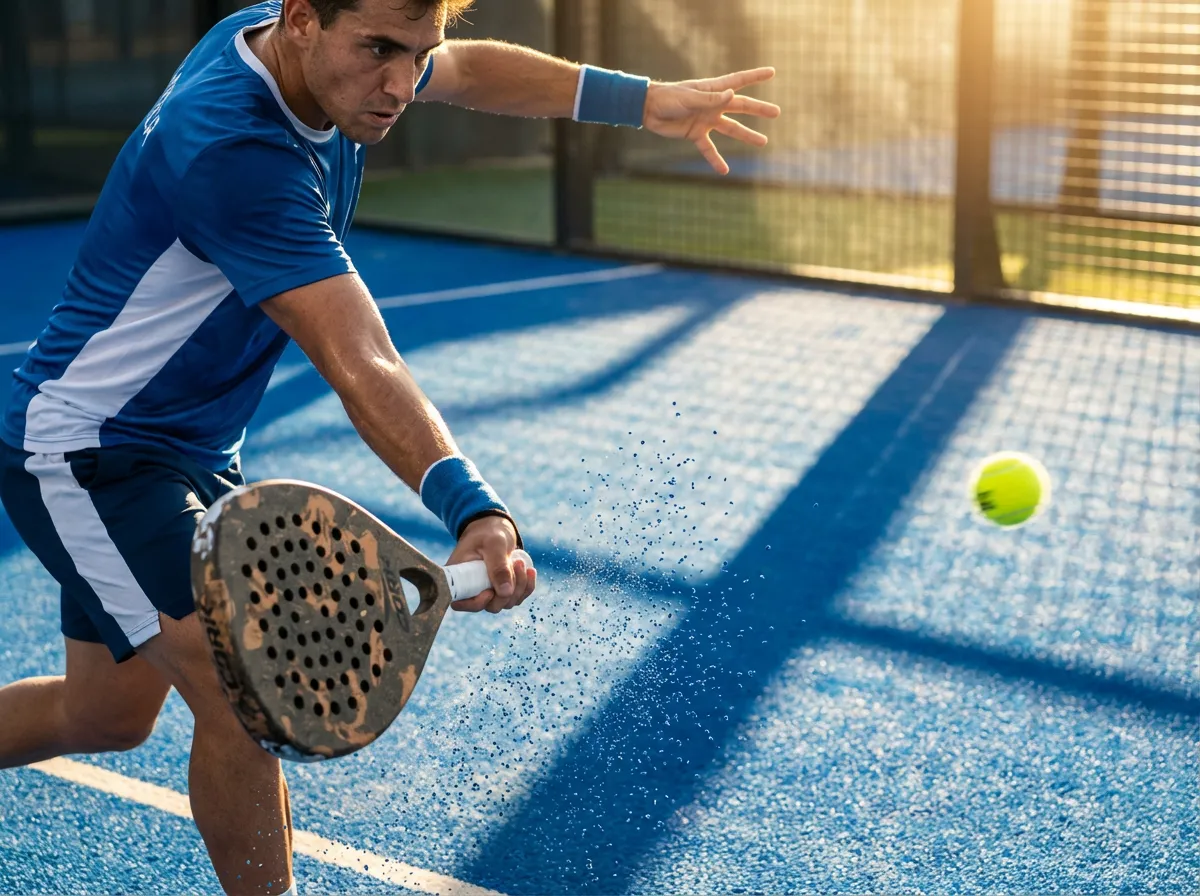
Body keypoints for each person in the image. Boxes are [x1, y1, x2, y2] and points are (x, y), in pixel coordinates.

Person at [0, 0, 780, 892]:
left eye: (420, 53)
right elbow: (357, 356)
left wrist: (641, 101)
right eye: (381, 51)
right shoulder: (235, 152)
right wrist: (473, 506)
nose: (402, 85)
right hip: (90, 451)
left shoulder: (312, 50)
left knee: (103, 718)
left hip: (193, 447)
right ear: (300, 22)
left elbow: (475, 71)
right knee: (239, 687)